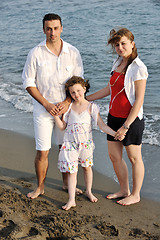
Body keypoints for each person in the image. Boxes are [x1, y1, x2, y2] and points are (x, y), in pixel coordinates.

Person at [22, 13, 84, 199]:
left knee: (65, 148)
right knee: (43, 151)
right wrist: (47, 104)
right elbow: (28, 83)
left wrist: (66, 103)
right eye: (48, 28)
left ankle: (66, 184)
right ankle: (40, 187)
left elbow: (79, 82)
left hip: (67, 110)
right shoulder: (35, 53)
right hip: (43, 109)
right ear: (43, 30)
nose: (52, 32)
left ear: (61, 28)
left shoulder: (73, 52)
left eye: (56, 28)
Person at [87, 28, 148, 205]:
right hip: (113, 117)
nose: (120, 48)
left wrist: (126, 126)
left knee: (134, 158)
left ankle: (135, 194)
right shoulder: (117, 62)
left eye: (123, 44)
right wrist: (85, 99)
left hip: (131, 120)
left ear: (132, 43)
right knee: (114, 156)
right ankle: (124, 189)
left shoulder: (138, 68)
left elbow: (139, 100)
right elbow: (109, 89)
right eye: (117, 45)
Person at [54, 76, 124, 210]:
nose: (76, 95)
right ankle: (71, 199)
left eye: (79, 91)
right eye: (72, 92)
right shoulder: (69, 108)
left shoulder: (91, 107)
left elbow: (102, 126)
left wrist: (115, 134)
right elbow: (62, 127)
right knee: (72, 171)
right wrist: (55, 116)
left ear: (84, 89)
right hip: (70, 144)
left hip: (85, 144)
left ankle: (89, 191)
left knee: (87, 167)